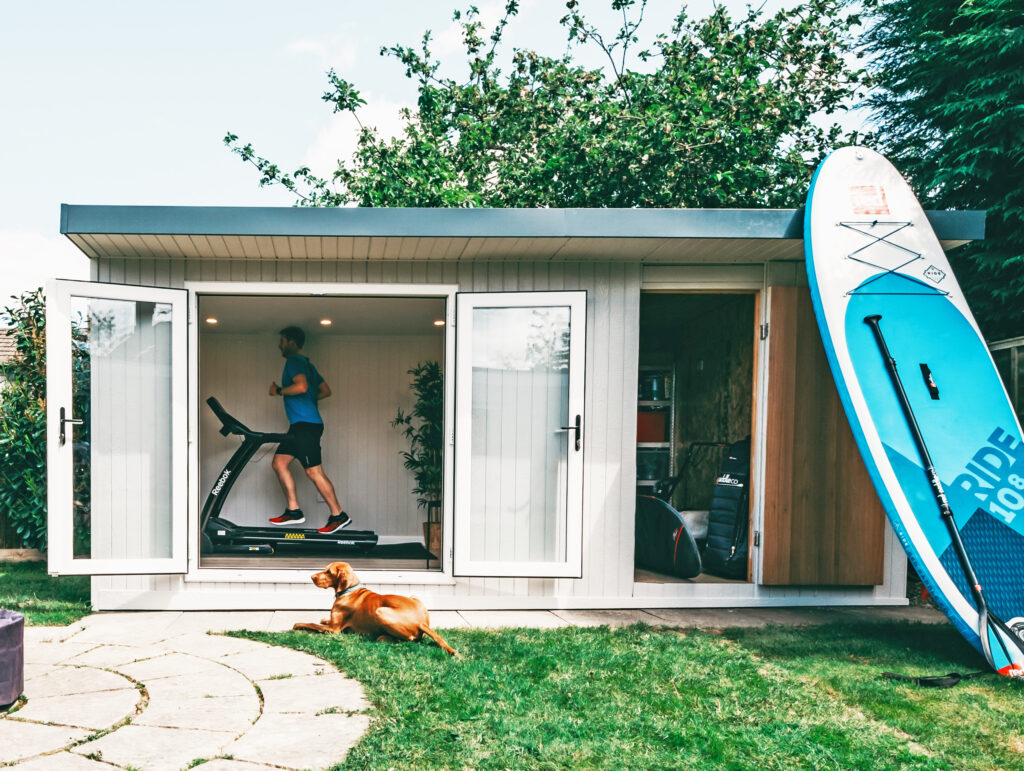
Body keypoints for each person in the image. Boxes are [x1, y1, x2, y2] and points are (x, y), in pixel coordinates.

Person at [267, 326, 352, 533]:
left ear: (292, 343)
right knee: (279, 463)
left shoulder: (294, 361)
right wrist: (307, 400)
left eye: (282, 341)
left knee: (314, 472)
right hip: (299, 425)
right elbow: (325, 391)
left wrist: (278, 390)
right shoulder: (308, 365)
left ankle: (338, 515)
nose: (280, 345)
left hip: (306, 425)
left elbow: (302, 387)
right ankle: (294, 511)